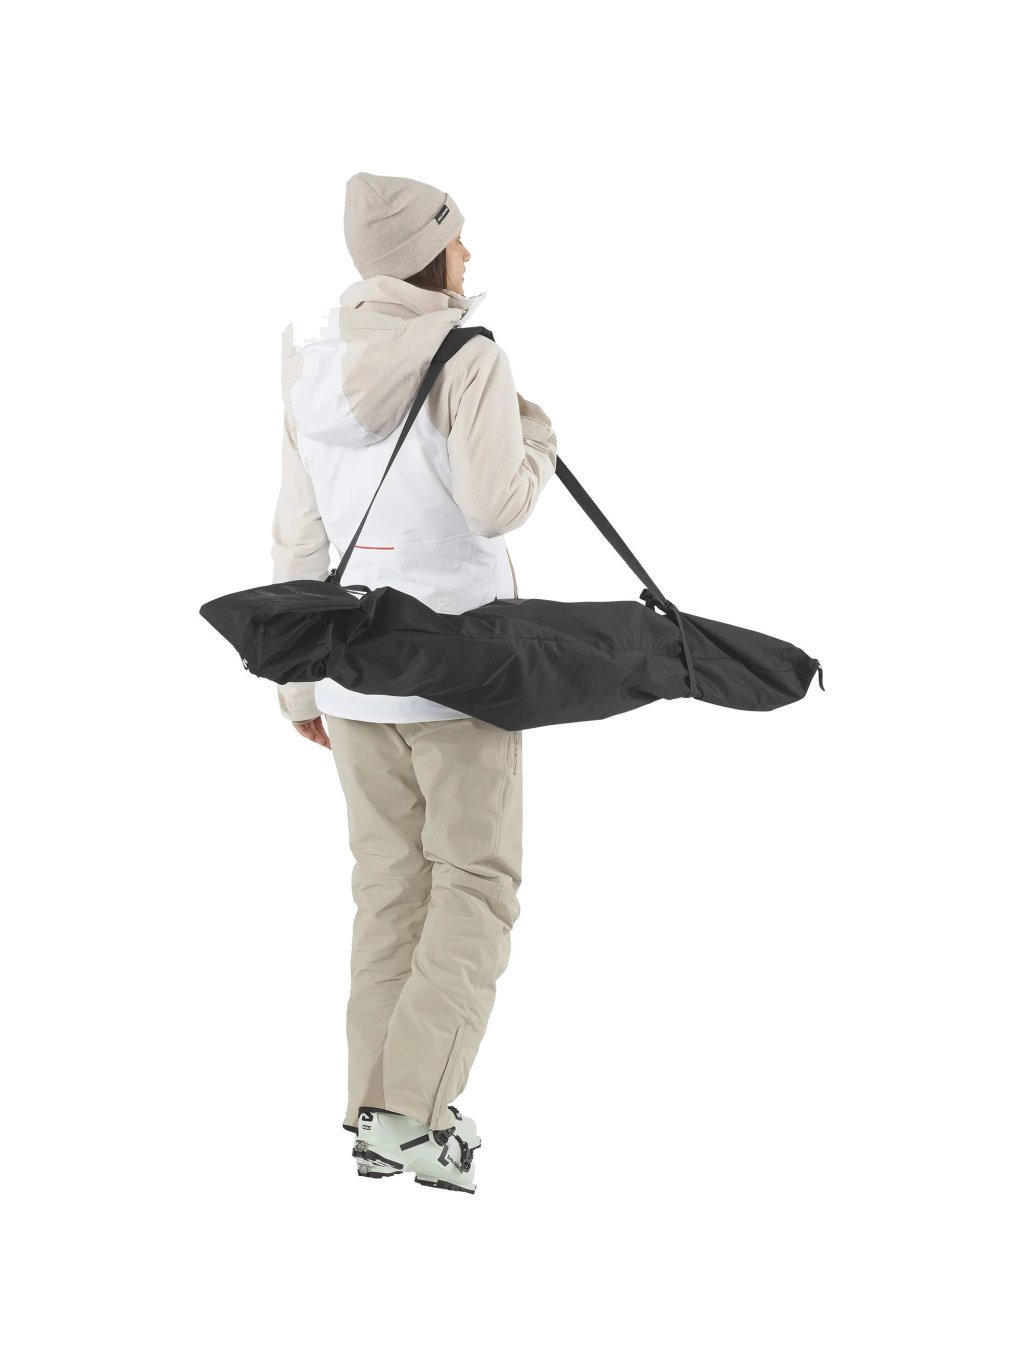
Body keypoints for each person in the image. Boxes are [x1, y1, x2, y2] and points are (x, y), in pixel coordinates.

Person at [270, 172, 558, 1192]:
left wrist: (300, 688)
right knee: (474, 885)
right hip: (459, 676)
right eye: (457, 239)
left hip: (352, 676)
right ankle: (413, 1117)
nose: (468, 256)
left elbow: (299, 536)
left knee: (389, 890)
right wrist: (536, 437)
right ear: (426, 254)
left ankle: (376, 1112)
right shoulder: (468, 357)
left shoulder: (311, 365)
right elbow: (494, 505)